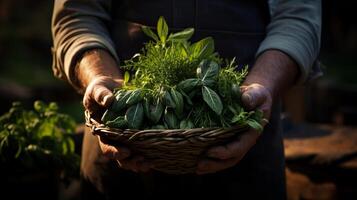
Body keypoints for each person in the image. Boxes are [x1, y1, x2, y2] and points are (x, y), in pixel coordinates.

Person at [51, 0, 321, 199]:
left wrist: (262, 85)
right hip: (121, 148)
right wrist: (100, 78)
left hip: (246, 147)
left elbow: (297, 17)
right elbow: (77, 14)